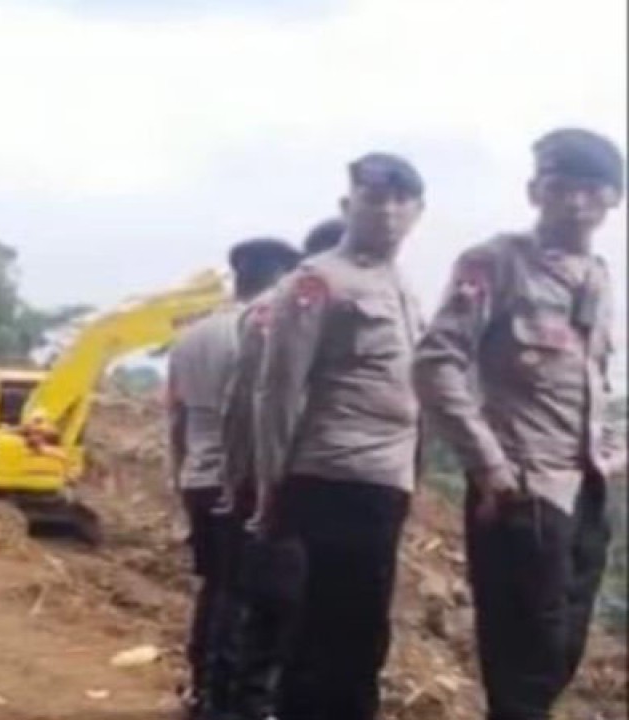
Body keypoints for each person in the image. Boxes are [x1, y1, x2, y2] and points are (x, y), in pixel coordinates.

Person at [413, 128, 625, 720]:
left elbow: (589, 382)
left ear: (613, 200)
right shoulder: (496, 263)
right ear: (536, 191)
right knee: (524, 657)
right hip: (522, 491)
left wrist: (610, 451)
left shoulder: (598, 276)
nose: (576, 204)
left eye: (591, 191)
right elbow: (435, 364)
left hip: (585, 491)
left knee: (561, 651)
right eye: (560, 188)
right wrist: (490, 466)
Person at [256, 153, 425, 720]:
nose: (388, 211)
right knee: (329, 630)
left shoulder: (398, 283)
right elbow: (278, 389)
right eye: (374, 197)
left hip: (384, 482)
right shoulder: (318, 281)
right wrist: (269, 483)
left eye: (402, 200)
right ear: (347, 204)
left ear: (418, 213)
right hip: (335, 475)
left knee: (361, 629)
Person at [216, 216, 345, 720]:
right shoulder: (277, 318)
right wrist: (261, 489)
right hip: (286, 490)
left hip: (269, 488)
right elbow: (254, 410)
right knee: (276, 620)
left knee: (256, 614)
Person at [166, 237, 300, 719]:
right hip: (242, 483)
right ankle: (235, 701)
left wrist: (181, 479)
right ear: (282, 278)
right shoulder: (264, 331)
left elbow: (176, 419)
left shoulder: (191, 338)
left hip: (198, 477)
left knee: (216, 587)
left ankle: (202, 690)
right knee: (250, 595)